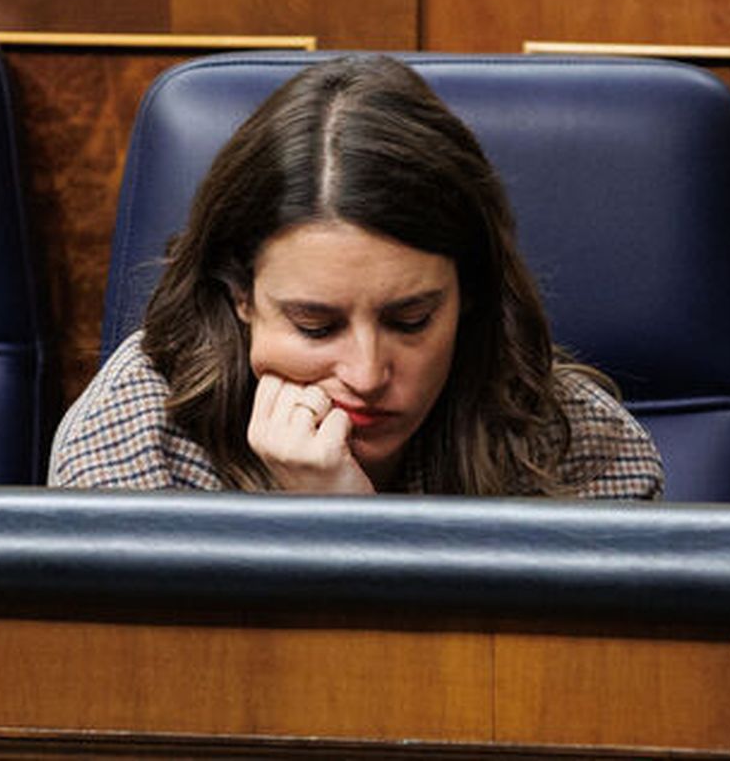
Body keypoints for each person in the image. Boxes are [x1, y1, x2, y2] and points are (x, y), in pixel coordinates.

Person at [49, 54, 663, 498]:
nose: (367, 375)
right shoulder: (135, 434)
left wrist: (351, 526)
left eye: (411, 321)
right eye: (316, 326)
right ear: (240, 297)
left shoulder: (578, 441)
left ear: (469, 294)